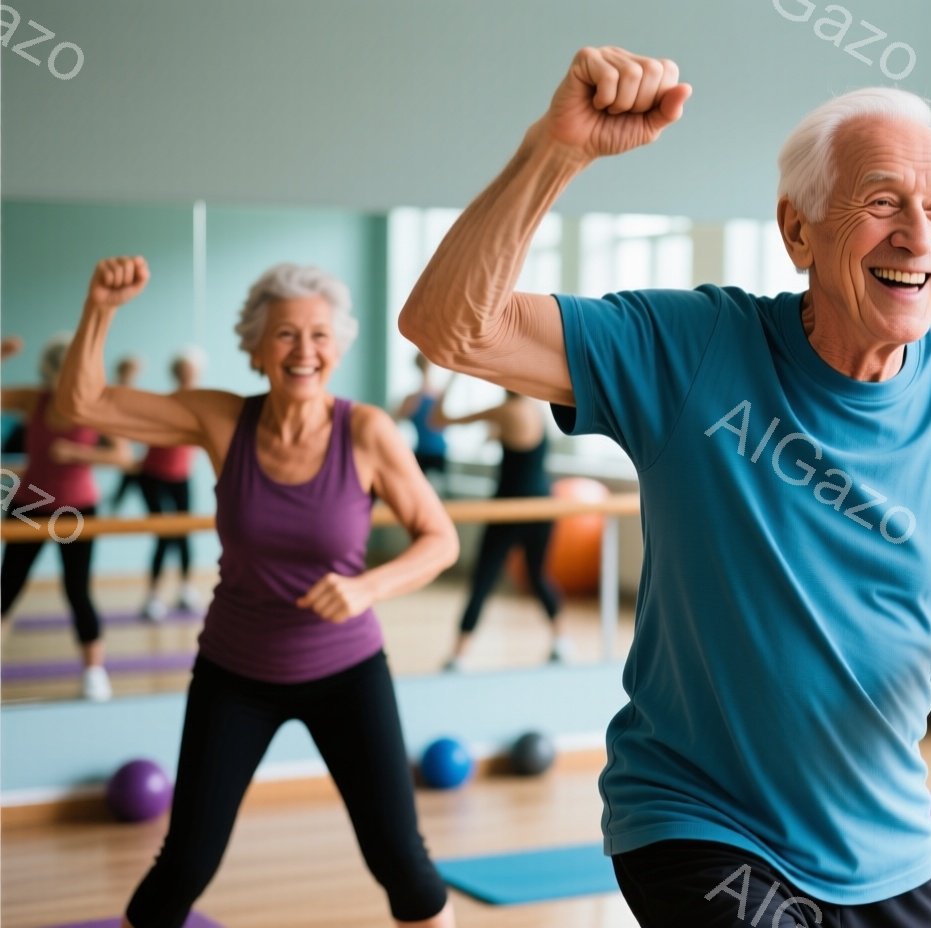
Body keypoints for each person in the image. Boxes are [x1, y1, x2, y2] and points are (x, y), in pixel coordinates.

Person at [400, 46, 931, 928]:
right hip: (697, 823)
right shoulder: (691, 346)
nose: (918, 235)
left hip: (888, 848)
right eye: (882, 203)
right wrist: (555, 152)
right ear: (799, 231)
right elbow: (451, 328)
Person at [58, 256, 458, 928]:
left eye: (320, 335)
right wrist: (100, 307)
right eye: (285, 335)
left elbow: (438, 538)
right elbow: (83, 404)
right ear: (255, 348)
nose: (304, 350)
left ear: (339, 346)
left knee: (402, 863)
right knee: (184, 864)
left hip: (348, 672)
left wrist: (367, 588)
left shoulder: (365, 432)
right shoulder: (220, 420)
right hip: (235, 673)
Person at [1, 334, 133, 701]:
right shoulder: (34, 400)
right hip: (29, 502)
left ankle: (94, 672)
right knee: (6, 587)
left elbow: (123, 457)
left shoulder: (93, 407)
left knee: (77, 589)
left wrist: (76, 452)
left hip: (76, 508)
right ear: (50, 373)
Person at [433, 389, 567, 671]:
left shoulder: (504, 411)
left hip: (509, 510)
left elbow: (439, 419)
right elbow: (522, 448)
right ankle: (562, 641)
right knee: (537, 576)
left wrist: (451, 377)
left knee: (483, 580)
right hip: (542, 507)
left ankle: (458, 655)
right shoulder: (536, 409)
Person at [139, 348, 207, 621]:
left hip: (181, 476)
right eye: (182, 370)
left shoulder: (203, 405)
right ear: (175, 373)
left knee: (184, 534)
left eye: (191, 371)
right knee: (163, 535)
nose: (187, 376)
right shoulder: (164, 403)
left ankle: (185, 589)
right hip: (153, 475)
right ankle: (153, 596)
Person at [395, 354, 452, 489]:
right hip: (425, 453)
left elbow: (393, 422)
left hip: (434, 453)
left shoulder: (415, 399)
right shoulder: (414, 399)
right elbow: (393, 422)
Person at [107, 354, 148, 514]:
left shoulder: (137, 394)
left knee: (134, 470)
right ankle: (117, 500)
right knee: (133, 470)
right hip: (113, 437)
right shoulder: (112, 391)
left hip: (130, 441)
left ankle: (117, 500)